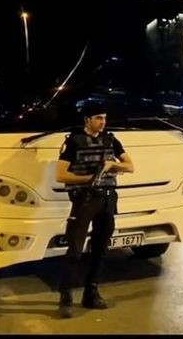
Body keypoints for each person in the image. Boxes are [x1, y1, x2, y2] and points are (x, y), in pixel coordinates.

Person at [55, 100, 134, 318]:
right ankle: (66, 296)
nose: (103, 122)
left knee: (100, 250)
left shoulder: (111, 140)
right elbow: (60, 175)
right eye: (99, 118)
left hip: (107, 200)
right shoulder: (74, 142)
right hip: (84, 200)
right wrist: (91, 178)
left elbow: (130, 166)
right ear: (87, 119)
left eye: (105, 118)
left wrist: (112, 165)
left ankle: (91, 293)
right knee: (75, 250)